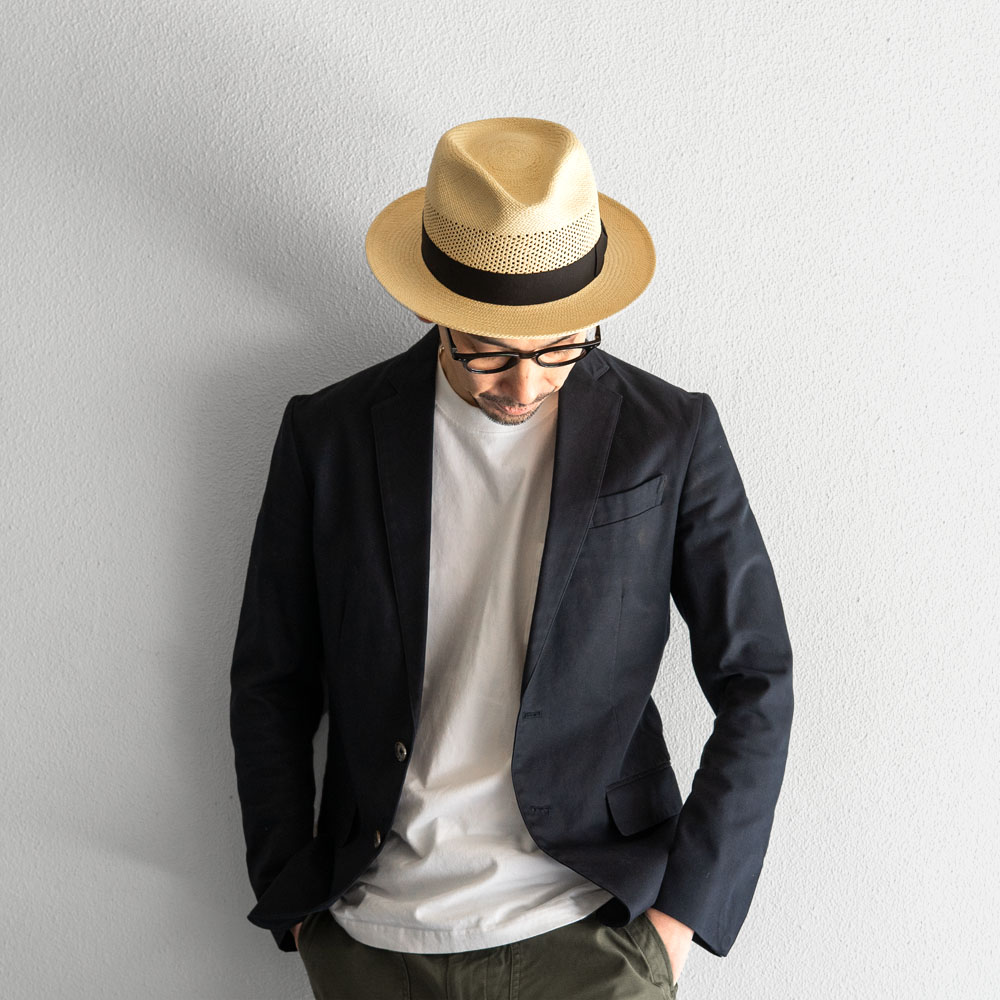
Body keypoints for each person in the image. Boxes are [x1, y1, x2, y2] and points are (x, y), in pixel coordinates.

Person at [229, 116, 794, 999]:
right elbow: (272, 680)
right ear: (433, 308)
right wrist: (293, 898)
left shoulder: (668, 436)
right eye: (489, 351)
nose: (525, 386)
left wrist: (681, 921)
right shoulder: (327, 437)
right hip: (372, 941)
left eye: (560, 347)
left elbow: (756, 675)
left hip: (591, 934)